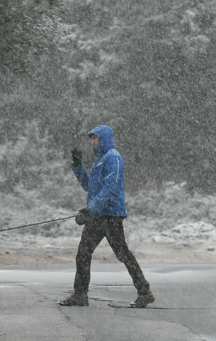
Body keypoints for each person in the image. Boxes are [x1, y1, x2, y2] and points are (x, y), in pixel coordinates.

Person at [59, 125, 154, 308]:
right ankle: (80, 295)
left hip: (111, 216)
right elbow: (89, 187)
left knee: (123, 254)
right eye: (92, 140)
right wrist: (78, 167)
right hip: (96, 216)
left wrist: (90, 210)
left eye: (96, 139)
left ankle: (144, 292)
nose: (93, 143)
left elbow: (110, 188)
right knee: (83, 254)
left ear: (105, 139)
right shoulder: (99, 162)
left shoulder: (114, 158)